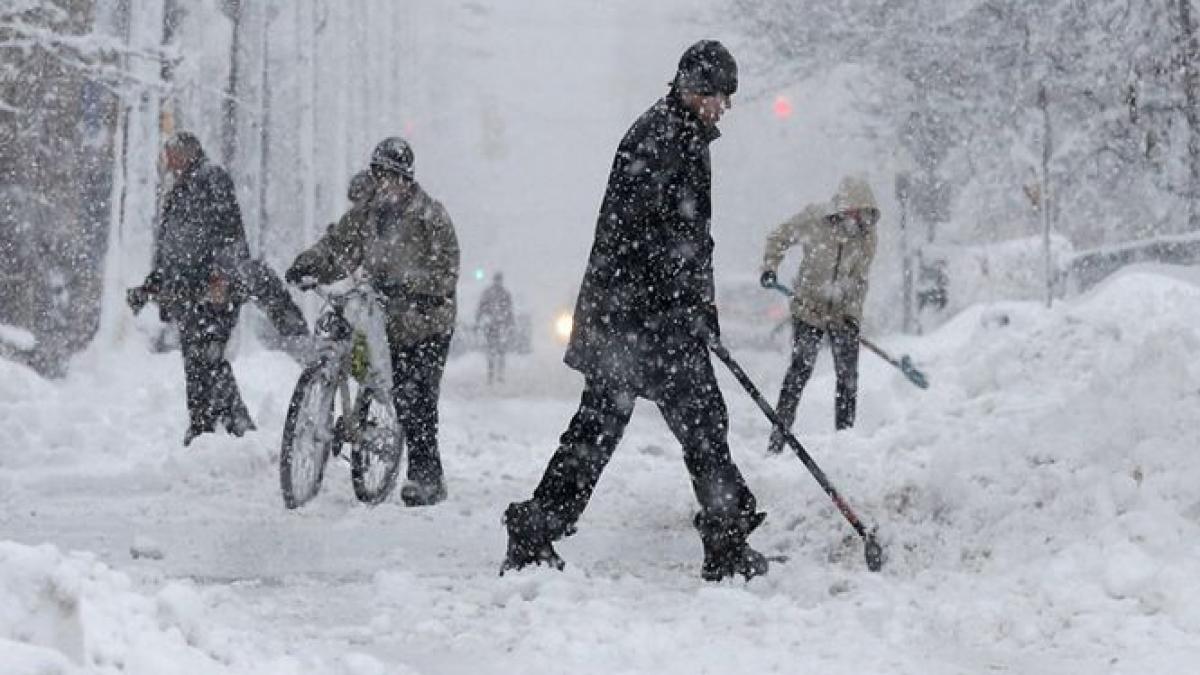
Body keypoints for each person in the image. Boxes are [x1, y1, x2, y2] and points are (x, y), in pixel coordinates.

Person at [501, 40, 768, 581]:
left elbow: (689, 239)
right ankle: (725, 536)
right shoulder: (662, 140)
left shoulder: (680, 134)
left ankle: (538, 527)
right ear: (697, 91)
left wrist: (701, 305)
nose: (727, 109)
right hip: (639, 321)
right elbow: (646, 240)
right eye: (723, 97)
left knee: (620, 428)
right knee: (688, 425)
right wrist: (681, 302)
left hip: (639, 319)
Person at [285, 138, 460, 507]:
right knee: (343, 335)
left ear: (407, 179)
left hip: (426, 320)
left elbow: (446, 274)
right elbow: (336, 245)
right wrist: (309, 263)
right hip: (382, 310)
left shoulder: (431, 217)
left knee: (416, 396)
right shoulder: (366, 213)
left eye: (393, 177)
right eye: (380, 175)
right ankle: (335, 399)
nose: (386, 185)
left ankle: (427, 477)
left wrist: (410, 285)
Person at [127, 131, 256, 446]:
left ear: (187, 153)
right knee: (198, 360)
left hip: (213, 291)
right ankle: (212, 425)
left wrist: (220, 278)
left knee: (207, 358)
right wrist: (150, 287)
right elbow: (172, 250)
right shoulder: (180, 189)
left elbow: (229, 231)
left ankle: (222, 426)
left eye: (170, 154)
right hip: (187, 292)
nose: (166, 162)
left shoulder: (210, 179)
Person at [758, 176, 879, 450]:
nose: (860, 222)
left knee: (848, 378)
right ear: (845, 208)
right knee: (799, 370)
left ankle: (843, 442)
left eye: (866, 216)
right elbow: (779, 237)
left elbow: (860, 281)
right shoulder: (814, 219)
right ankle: (778, 438)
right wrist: (770, 267)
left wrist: (850, 316)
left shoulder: (867, 237)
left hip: (842, 314)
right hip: (808, 308)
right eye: (857, 214)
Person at [475, 272, 515, 384]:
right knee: (493, 351)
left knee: (499, 351)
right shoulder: (491, 293)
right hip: (493, 326)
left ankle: (498, 374)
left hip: (499, 326)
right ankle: (492, 374)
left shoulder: (502, 294)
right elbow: (481, 308)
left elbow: (509, 310)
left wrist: (509, 323)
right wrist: (478, 320)